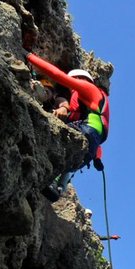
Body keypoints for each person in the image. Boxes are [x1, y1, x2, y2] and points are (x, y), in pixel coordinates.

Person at [26, 53, 110, 199]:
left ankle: (49, 179)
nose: (71, 90)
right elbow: (96, 141)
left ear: (79, 79)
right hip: (93, 141)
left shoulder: (88, 88)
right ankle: (57, 188)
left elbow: (57, 74)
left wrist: (29, 57)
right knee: (70, 163)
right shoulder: (97, 104)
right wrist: (97, 160)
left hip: (86, 130)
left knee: (57, 143)